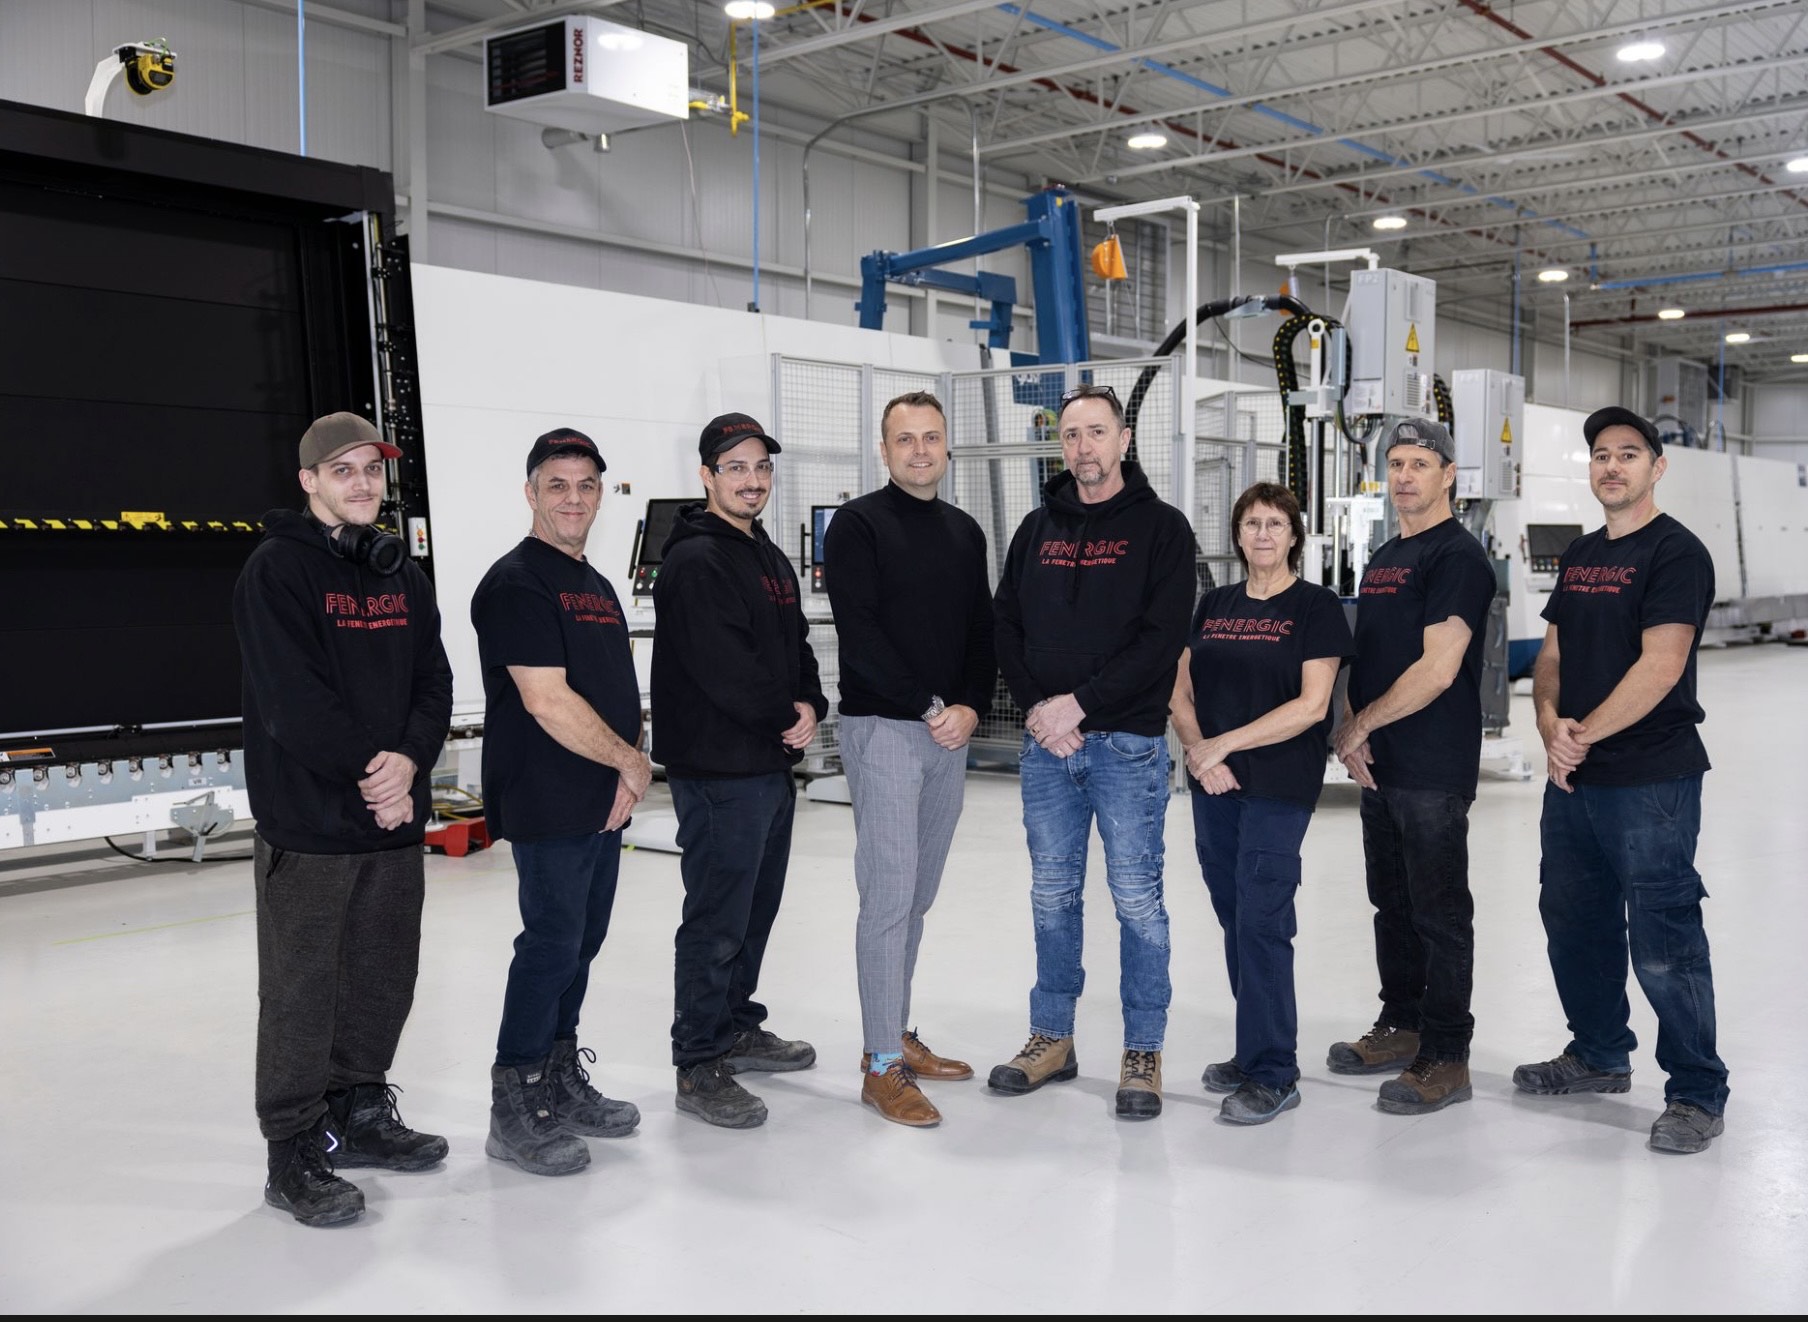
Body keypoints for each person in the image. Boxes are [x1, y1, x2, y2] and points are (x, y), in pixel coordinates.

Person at [233, 411, 453, 1228]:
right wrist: (375, 771)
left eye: (371, 469)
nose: (363, 483)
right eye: (343, 470)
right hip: (311, 824)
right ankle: (292, 1151)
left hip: (391, 823)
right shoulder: (275, 572)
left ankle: (358, 1109)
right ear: (309, 481)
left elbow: (434, 680)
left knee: (383, 975)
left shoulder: (401, 575)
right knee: (301, 992)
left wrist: (411, 762)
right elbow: (293, 702)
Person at [1515, 406, 1729, 1154]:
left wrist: (1579, 737)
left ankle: (1697, 1091)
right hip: (1574, 779)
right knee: (1574, 919)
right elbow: (1552, 654)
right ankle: (1599, 1052)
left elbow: (1661, 666)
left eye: (1628, 454)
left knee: (1665, 936)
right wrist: (1549, 721)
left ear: (1656, 467)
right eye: (1601, 455)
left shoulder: (1677, 553)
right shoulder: (1580, 554)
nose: (1612, 465)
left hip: (1650, 779)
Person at [988, 383, 1195, 1119]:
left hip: (1127, 745)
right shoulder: (1036, 528)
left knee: (1137, 900)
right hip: (1048, 747)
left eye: (1097, 432)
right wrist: (1041, 710)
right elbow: (1005, 623)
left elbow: (1161, 639)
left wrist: (1079, 704)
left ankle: (1143, 1050)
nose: (1083, 447)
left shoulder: (1163, 530)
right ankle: (1053, 1037)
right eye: (1071, 434)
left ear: (1124, 439)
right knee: (1052, 894)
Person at [470, 428, 651, 1177]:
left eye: (585, 485)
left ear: (600, 495)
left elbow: (612, 687)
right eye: (557, 485)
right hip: (547, 796)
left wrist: (625, 773)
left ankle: (556, 1078)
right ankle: (513, 1104)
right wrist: (631, 762)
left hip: (600, 798)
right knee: (550, 945)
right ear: (531, 493)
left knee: (582, 942)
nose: (573, 499)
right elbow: (545, 699)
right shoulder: (517, 583)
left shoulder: (596, 584)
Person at [824, 390, 996, 1128]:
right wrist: (931, 707)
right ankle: (879, 1065)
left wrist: (971, 707)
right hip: (887, 730)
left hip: (948, 736)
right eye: (905, 439)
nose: (919, 450)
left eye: (930, 437)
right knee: (889, 897)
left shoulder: (964, 531)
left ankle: (893, 1031)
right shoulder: (857, 526)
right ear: (884, 449)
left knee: (917, 895)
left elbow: (981, 631)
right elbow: (860, 634)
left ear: (947, 445)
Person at [652, 412, 828, 1129]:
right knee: (717, 919)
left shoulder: (766, 554)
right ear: (706, 476)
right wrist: (785, 716)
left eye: (761, 467)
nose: (752, 480)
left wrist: (811, 703)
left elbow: (797, 643)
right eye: (735, 468)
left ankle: (735, 1026)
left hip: (766, 765)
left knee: (755, 909)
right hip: (719, 772)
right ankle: (698, 1061)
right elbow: (725, 668)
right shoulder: (697, 560)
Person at [1169, 481, 1353, 1125]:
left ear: (1294, 535)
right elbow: (1178, 690)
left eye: (1275, 523)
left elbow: (1312, 706)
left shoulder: (1315, 607)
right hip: (1213, 784)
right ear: (1238, 535)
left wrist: (1222, 745)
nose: (1263, 534)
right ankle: (1253, 1051)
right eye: (1252, 523)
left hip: (1278, 784)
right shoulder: (1214, 604)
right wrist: (1200, 754)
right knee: (1234, 915)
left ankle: (1275, 1072)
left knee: (1263, 919)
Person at [1330, 417, 1497, 1116]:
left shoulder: (1458, 557)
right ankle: (1401, 1024)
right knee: (1391, 905)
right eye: (1396, 463)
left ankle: (1448, 1055)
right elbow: (1367, 654)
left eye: (1420, 464)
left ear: (1449, 474)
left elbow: (1438, 669)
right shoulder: (1384, 555)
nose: (1404, 476)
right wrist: (1352, 732)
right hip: (1381, 765)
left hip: (1431, 764)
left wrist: (1359, 725)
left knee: (1439, 913)